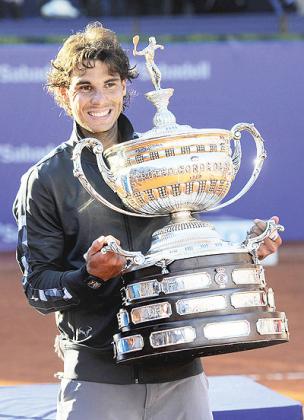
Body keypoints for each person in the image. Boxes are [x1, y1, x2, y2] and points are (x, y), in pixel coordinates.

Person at [13, 22, 282, 420]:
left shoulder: (161, 160)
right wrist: (90, 276)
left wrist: (245, 253)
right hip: (98, 379)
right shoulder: (47, 180)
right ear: (63, 93)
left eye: (110, 83)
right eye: (85, 86)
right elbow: (38, 289)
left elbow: (187, 250)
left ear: (124, 88)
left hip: (180, 369)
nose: (99, 98)